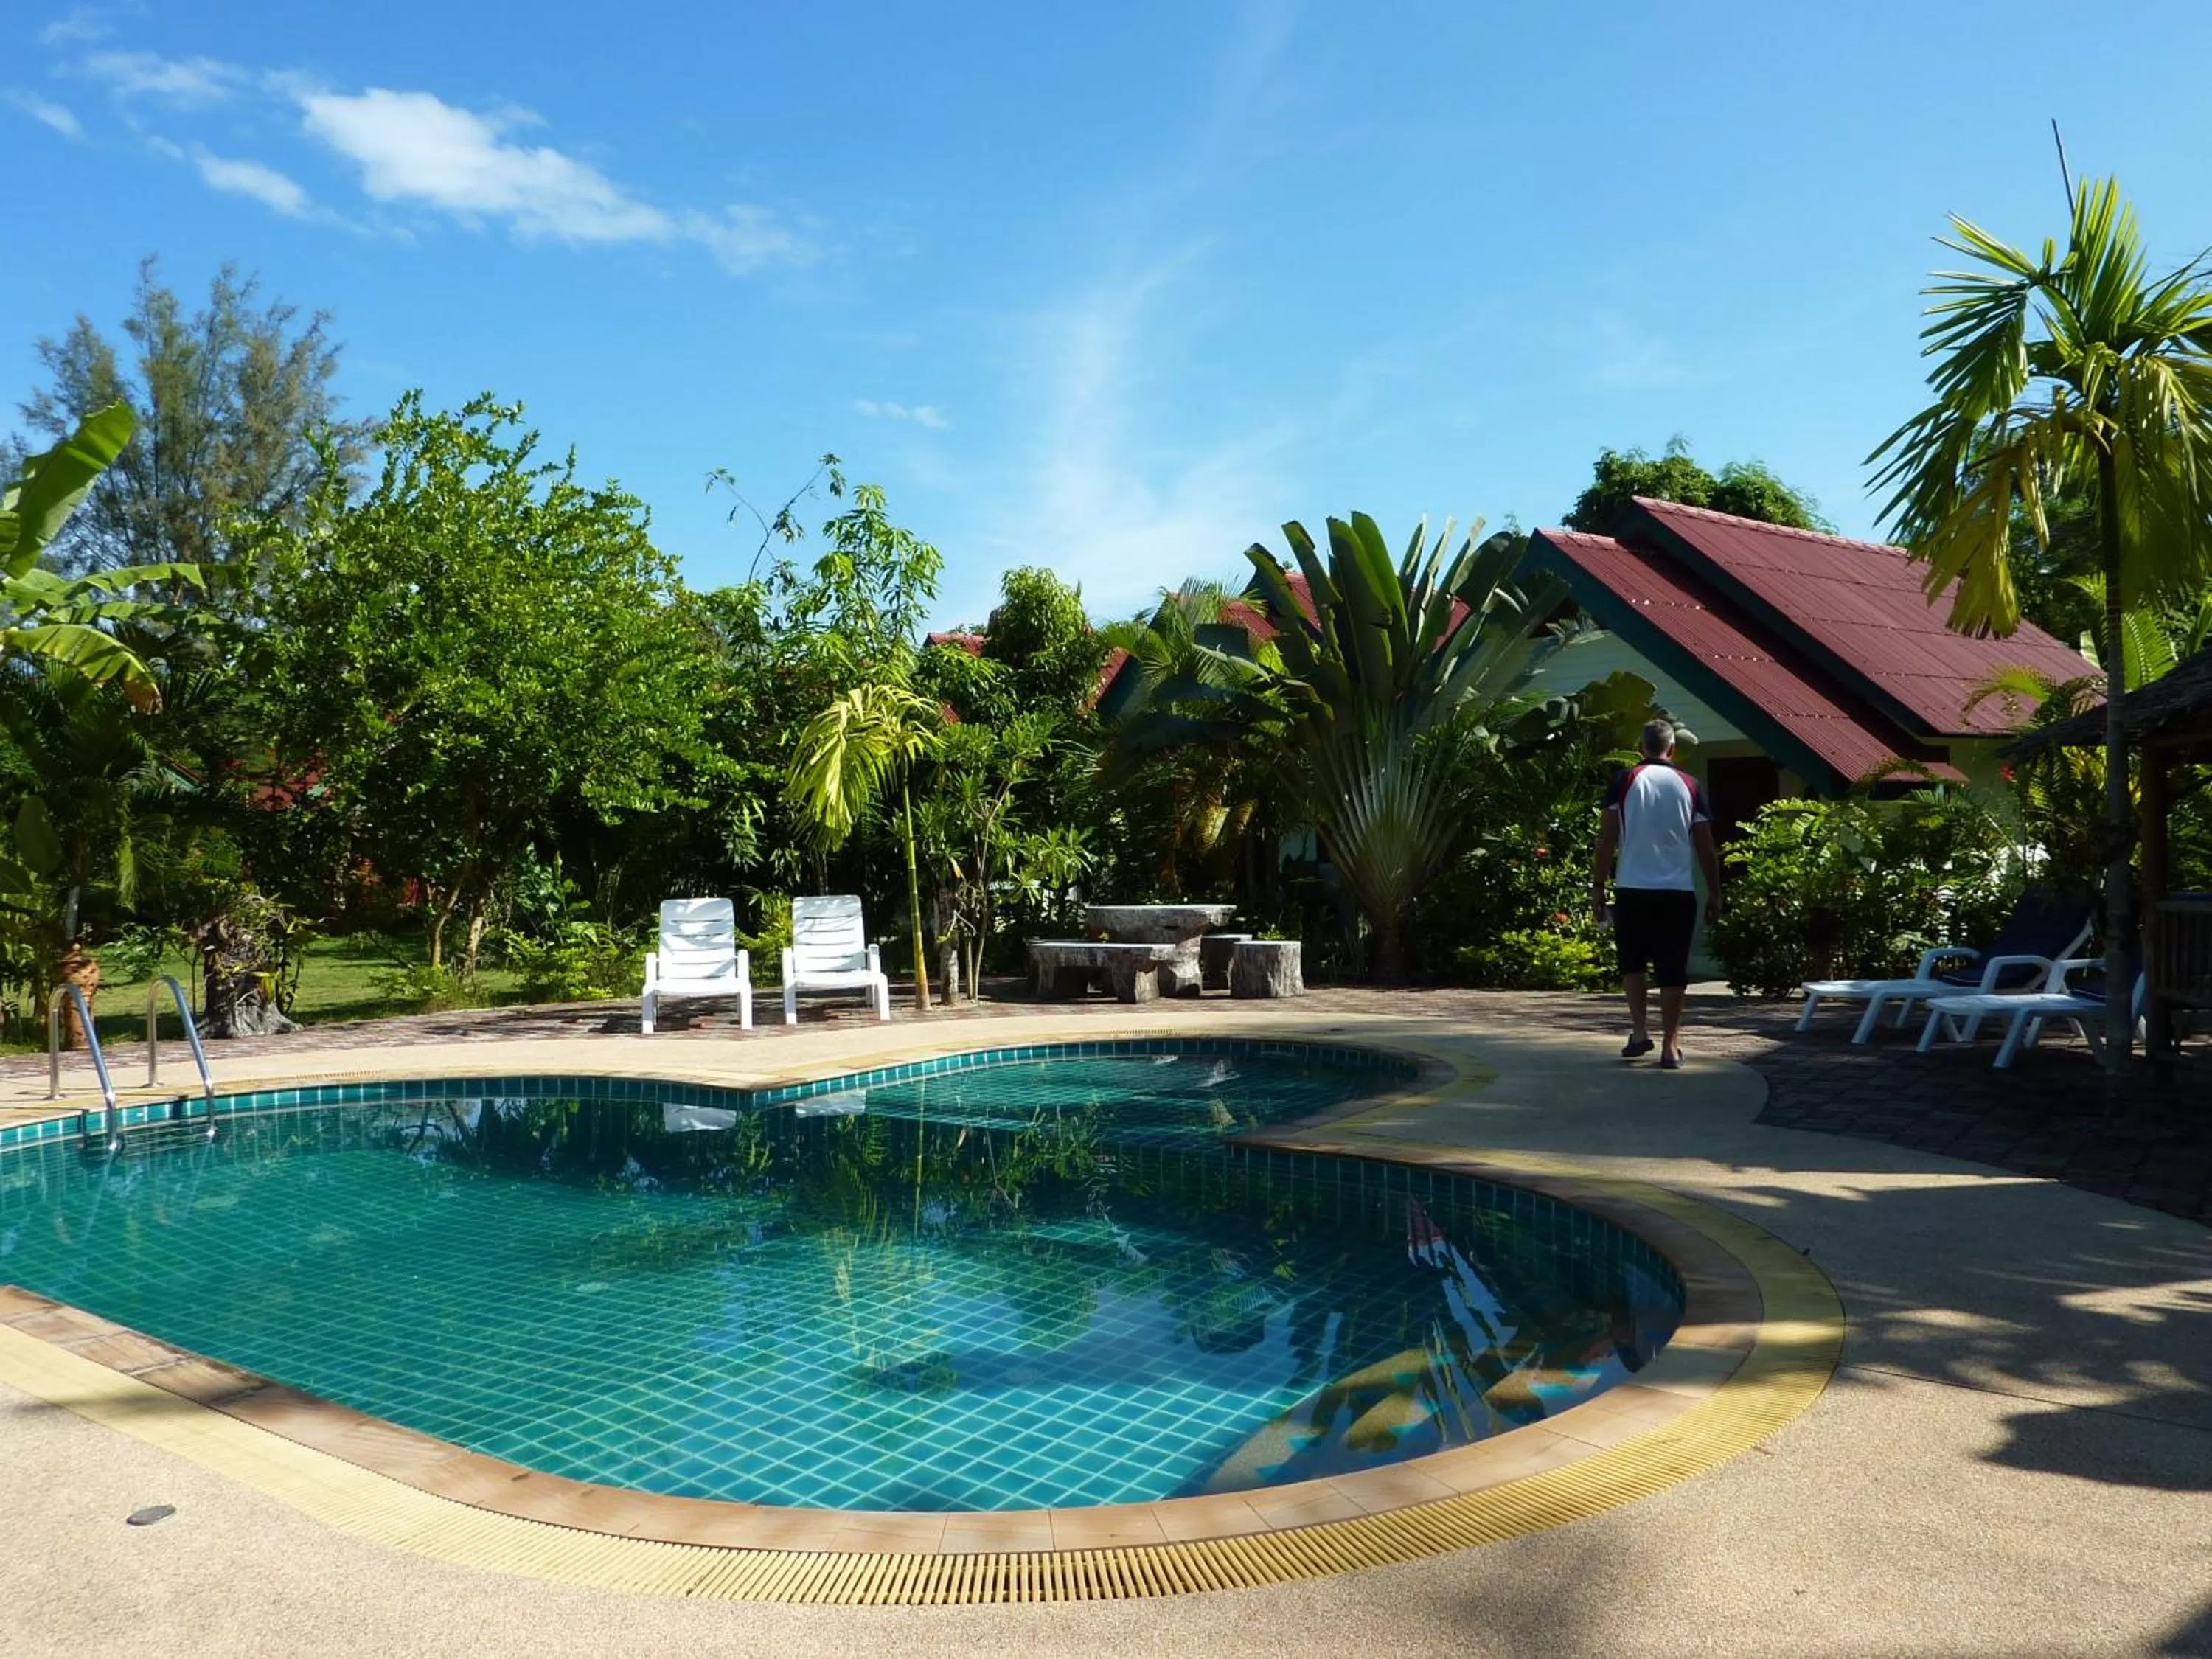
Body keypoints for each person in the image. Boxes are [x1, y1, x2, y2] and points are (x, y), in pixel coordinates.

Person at [1590, 719, 1722, 1069]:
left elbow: (1606, 839)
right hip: (1677, 891)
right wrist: (1715, 892)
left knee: (1632, 963)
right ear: (1673, 749)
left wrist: (1598, 887)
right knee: (1673, 968)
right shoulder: (1690, 784)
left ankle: (1639, 1032)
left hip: (1632, 888)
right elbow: (1706, 846)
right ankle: (1670, 1045)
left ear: (1640, 748)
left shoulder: (1624, 780)